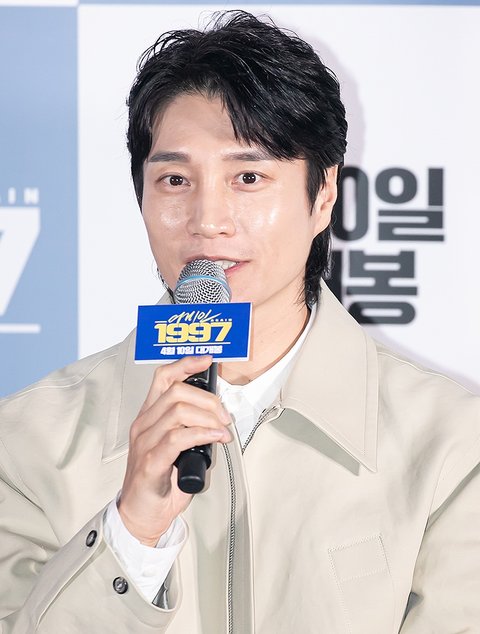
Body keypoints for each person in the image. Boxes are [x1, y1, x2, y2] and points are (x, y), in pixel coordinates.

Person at [0, 10, 479, 634]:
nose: (208, 220)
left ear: (323, 194)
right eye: (175, 179)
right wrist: (130, 533)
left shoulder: (450, 443)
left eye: (248, 177)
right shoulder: (26, 442)